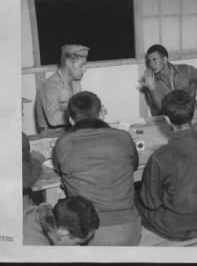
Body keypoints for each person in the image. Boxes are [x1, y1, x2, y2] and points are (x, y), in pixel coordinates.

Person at [53, 91, 141, 246]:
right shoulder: (123, 137)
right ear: (101, 113)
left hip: (88, 234)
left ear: (71, 120)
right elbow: (134, 166)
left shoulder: (63, 143)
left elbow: (60, 172)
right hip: (131, 232)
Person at [136, 90, 197, 241]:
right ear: (192, 114)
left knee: (135, 197)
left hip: (175, 227)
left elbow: (151, 203)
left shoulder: (160, 156)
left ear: (167, 120)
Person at [139, 44, 197, 116]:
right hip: (169, 119)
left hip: (190, 116)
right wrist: (152, 89)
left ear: (164, 59)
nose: (151, 64)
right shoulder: (150, 81)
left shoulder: (185, 70)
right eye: (149, 61)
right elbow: (159, 110)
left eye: (154, 60)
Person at [35, 44, 89, 132]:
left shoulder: (75, 82)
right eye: (81, 65)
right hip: (51, 135)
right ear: (68, 63)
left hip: (69, 130)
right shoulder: (50, 85)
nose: (84, 69)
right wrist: (83, 115)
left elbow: (78, 107)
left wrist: (93, 109)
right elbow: (53, 120)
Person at [23, 196, 99, 245]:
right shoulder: (35, 247)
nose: (77, 247)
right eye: (77, 243)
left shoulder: (37, 213)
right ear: (63, 234)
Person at [22, 97, 46, 207]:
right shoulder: (18, 138)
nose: (22, 116)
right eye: (20, 110)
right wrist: (36, 160)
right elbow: (26, 180)